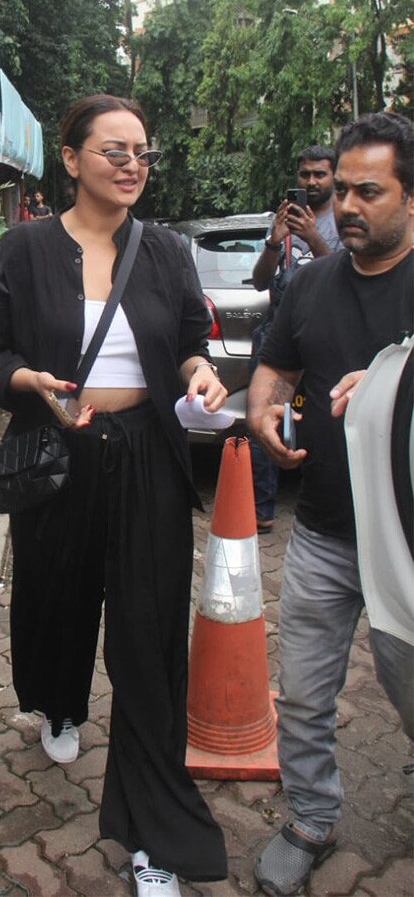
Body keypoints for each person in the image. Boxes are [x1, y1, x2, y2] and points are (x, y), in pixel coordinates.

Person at [0, 94, 228, 896]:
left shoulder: (169, 252)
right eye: (114, 150)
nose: (131, 165)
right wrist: (26, 382)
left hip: (147, 452)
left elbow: (186, 345)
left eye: (142, 152)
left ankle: (153, 835)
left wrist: (201, 373)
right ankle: (58, 702)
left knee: (147, 639)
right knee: (56, 601)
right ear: (71, 160)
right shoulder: (25, 247)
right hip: (58, 452)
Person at [246, 112, 414, 897]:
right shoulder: (310, 283)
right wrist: (261, 413)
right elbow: (275, 366)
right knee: (306, 694)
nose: (347, 205)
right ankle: (311, 819)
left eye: (369, 191)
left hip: (409, 548)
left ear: (411, 198)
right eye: (341, 190)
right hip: (321, 534)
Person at [249, 145, 342, 532]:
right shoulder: (282, 221)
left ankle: (321, 509)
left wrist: (314, 239)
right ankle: (261, 509)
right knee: (266, 420)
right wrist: (274, 241)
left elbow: (345, 278)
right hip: (279, 334)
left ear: (334, 176)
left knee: (322, 421)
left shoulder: (343, 221)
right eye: (305, 175)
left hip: (326, 337)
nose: (311, 182)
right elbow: (258, 281)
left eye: (319, 174)